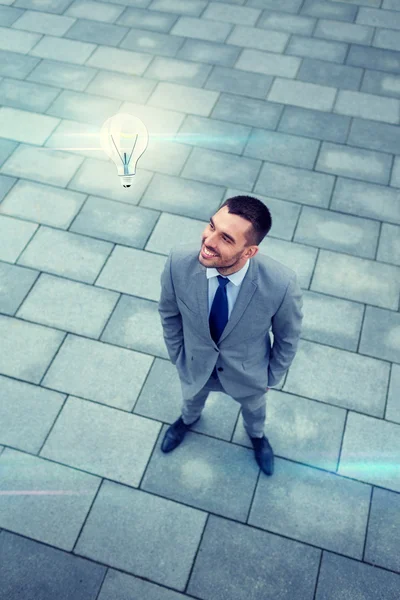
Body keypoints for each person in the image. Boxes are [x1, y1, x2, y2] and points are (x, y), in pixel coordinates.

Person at [157, 195, 303, 476]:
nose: (209, 241)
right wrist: (178, 356)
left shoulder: (281, 284)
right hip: (196, 364)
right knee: (191, 400)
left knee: (255, 412)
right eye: (211, 226)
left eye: (226, 238)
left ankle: (257, 438)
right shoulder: (179, 261)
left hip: (249, 374)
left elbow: (288, 336)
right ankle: (187, 421)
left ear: (249, 252)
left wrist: (271, 377)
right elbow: (169, 312)